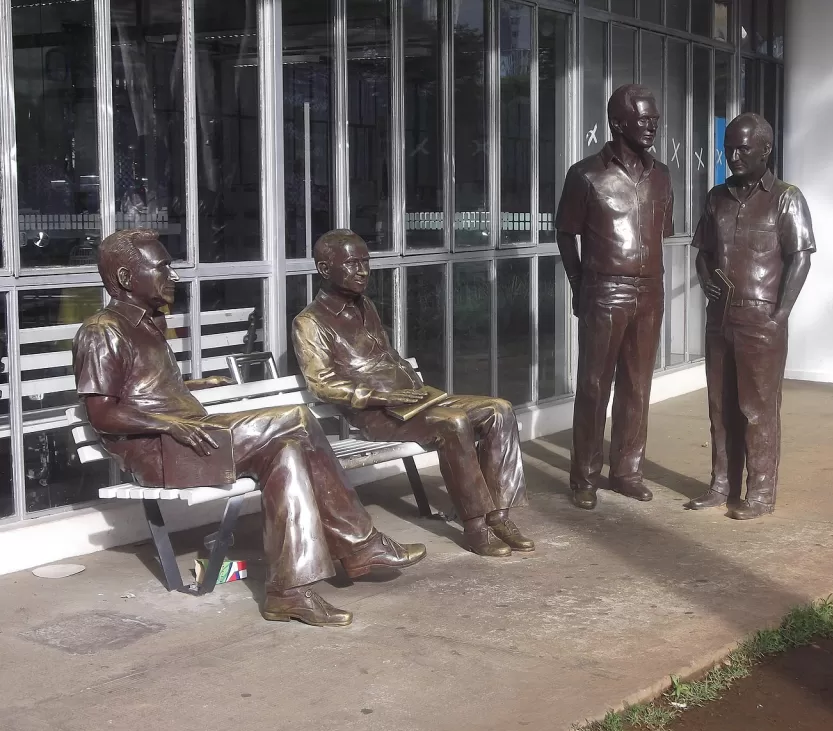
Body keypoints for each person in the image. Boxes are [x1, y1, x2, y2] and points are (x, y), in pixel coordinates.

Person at [72, 228, 426, 627]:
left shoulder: (146, 324)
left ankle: (288, 592)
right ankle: (360, 546)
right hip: (162, 453)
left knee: (289, 453)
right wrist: (166, 421)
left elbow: (141, 388)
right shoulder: (102, 330)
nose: (172, 276)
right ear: (124, 279)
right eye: (163, 267)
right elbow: (102, 414)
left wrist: (188, 387)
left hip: (191, 438)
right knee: (296, 417)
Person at [292, 230, 536, 558]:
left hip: (414, 399)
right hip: (375, 414)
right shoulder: (310, 322)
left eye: (366, 262)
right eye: (352, 264)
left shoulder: (364, 305)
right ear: (324, 269)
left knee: (500, 409)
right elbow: (321, 383)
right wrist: (380, 397)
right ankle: (476, 526)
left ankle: (499, 516)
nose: (363, 271)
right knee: (453, 423)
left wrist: (407, 389)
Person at [686, 113, 816, 520]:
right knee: (719, 407)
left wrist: (780, 315)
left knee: (757, 410)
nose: (734, 156)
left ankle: (760, 492)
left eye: (743, 148)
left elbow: (800, 258)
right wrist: (706, 280)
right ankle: (720, 485)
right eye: (728, 149)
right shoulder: (716, 197)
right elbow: (703, 252)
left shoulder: (787, 197)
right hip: (720, 319)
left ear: (766, 149)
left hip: (762, 321)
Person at [554, 83, 674, 511]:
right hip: (604, 289)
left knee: (637, 386)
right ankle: (584, 474)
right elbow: (565, 233)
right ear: (618, 123)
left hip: (650, 290)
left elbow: (664, 230)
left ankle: (627, 471)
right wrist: (578, 284)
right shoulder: (586, 174)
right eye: (644, 120)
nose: (652, 127)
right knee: (593, 386)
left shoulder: (661, 175)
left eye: (655, 120)